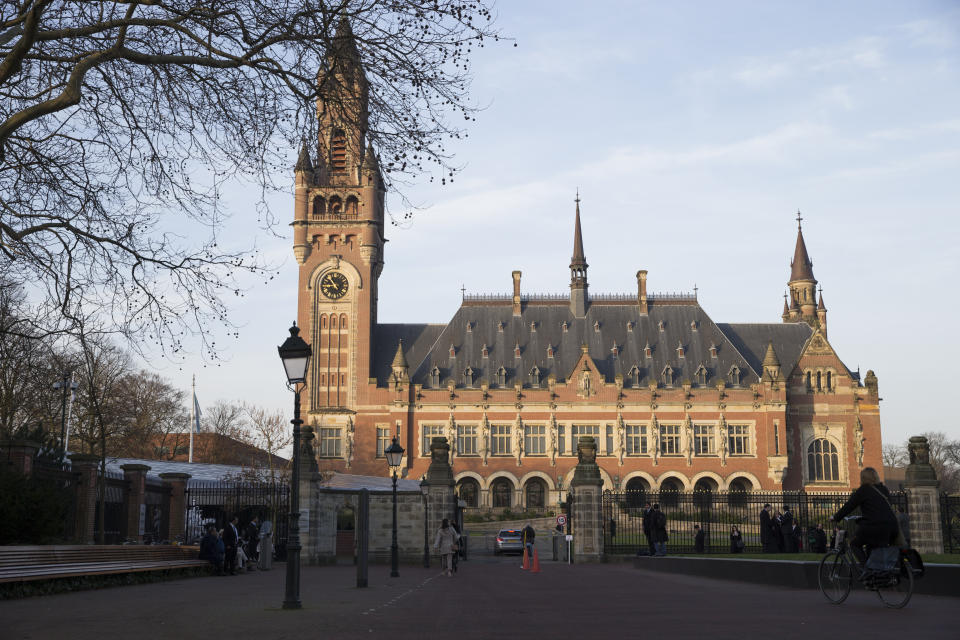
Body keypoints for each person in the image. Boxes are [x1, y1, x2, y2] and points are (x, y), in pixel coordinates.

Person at [832, 467, 900, 566]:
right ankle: (876, 572)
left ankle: (866, 568)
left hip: (875, 526)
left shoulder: (864, 490)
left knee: (854, 544)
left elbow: (848, 506)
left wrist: (835, 517)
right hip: (892, 526)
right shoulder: (884, 489)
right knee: (872, 546)